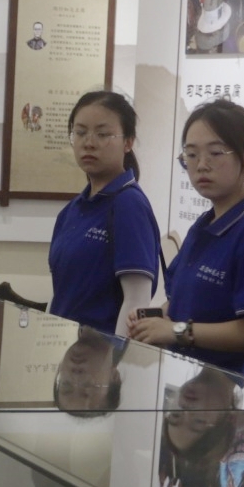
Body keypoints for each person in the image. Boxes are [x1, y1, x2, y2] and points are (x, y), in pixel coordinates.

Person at [128, 98, 244, 370]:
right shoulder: (203, 225)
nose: (201, 165)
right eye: (191, 154)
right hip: (188, 378)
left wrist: (175, 331)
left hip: (231, 386)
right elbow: (179, 302)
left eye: (216, 153)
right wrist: (154, 319)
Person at [44, 90, 163, 336]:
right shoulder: (72, 209)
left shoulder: (129, 205)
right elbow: (60, 294)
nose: (89, 142)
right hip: (67, 350)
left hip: (102, 354)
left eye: (102, 134)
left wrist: (115, 357)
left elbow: (136, 301)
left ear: (128, 142)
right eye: (80, 132)